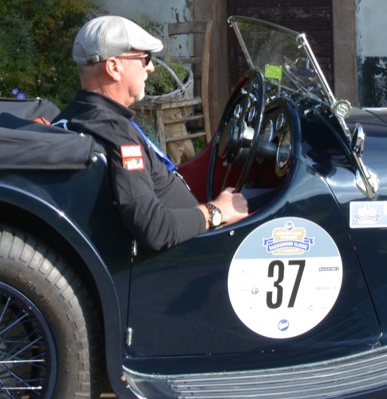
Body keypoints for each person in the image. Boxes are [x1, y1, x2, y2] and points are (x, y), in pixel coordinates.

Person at [58, 15, 249, 251]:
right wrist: (218, 211)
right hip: (187, 257)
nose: (151, 67)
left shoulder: (71, 117)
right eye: (144, 58)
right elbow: (154, 229)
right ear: (114, 68)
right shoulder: (117, 135)